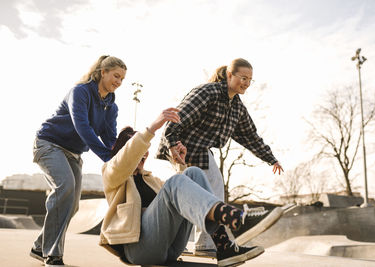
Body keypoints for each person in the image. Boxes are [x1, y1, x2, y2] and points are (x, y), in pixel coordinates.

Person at [99, 108, 265, 267]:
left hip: (170, 248)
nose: (144, 153)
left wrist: (181, 165)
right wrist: (152, 128)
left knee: (193, 173)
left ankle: (224, 246)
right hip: (138, 249)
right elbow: (124, 160)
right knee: (175, 182)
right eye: (139, 149)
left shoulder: (152, 180)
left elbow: (181, 198)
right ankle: (231, 217)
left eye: (145, 150)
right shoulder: (112, 175)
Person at [156, 58, 284, 256]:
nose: (246, 83)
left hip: (201, 151)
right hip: (183, 148)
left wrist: (271, 158)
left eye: (250, 80)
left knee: (197, 196)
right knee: (211, 190)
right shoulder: (209, 92)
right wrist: (172, 143)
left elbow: (250, 136)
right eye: (243, 78)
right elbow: (178, 117)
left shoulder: (237, 107)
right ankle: (204, 243)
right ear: (229, 75)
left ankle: (192, 243)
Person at [29, 55, 127, 267]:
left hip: (74, 153)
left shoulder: (111, 106)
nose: (119, 82)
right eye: (116, 76)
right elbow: (83, 127)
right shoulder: (80, 92)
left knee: (72, 205)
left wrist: (119, 157)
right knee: (65, 188)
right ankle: (52, 254)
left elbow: (110, 137)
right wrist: (106, 157)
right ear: (103, 72)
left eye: (122, 79)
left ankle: (39, 246)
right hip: (49, 144)